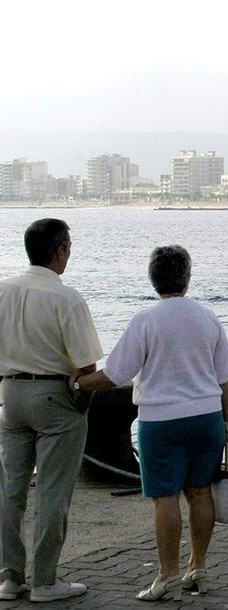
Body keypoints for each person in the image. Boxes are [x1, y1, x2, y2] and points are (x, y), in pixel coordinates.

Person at [74, 245, 228, 602]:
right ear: (187, 279)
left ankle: (167, 576)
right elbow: (224, 379)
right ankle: (199, 568)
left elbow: (115, 374)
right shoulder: (208, 318)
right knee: (201, 492)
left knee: (165, 500)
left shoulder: (146, 319)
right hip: (206, 417)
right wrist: (226, 420)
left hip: (161, 420)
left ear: (152, 280)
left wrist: (79, 383)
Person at [0, 218, 102, 603]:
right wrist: (80, 403)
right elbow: (87, 365)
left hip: (11, 395)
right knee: (52, 491)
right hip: (53, 396)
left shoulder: (2, 290)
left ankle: (10, 576)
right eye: (69, 247)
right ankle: (44, 580)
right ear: (59, 252)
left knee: (10, 490)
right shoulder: (67, 298)